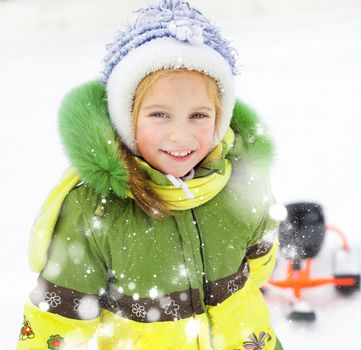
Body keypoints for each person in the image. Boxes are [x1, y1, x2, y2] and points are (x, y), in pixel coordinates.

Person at [17, 0, 283, 349]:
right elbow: (57, 319)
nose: (180, 135)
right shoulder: (94, 209)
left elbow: (261, 262)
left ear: (220, 117)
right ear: (127, 118)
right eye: (160, 115)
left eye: (198, 116)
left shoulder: (239, 182)